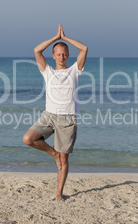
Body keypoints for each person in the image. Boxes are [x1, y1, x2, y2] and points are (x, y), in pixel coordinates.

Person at [23, 24, 88, 201]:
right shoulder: (47, 71)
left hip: (67, 119)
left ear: (68, 55)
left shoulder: (75, 71)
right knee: (28, 139)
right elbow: (37, 50)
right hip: (48, 116)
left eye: (64, 54)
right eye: (58, 54)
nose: (61, 56)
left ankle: (59, 194)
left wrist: (64, 38)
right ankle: (53, 154)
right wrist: (55, 38)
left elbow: (84, 48)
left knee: (64, 159)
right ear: (53, 56)